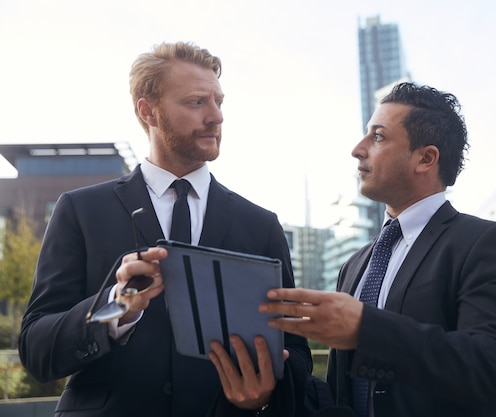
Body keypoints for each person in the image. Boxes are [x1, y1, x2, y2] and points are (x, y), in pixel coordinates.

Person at [18, 41, 312, 417]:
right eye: (196, 102)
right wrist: (116, 306)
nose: (216, 116)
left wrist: (263, 394)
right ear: (148, 111)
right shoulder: (81, 209)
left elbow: (296, 351)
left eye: (219, 102)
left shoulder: (261, 225)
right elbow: (36, 350)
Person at [260, 83, 496, 416]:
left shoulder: (487, 242)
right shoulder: (354, 265)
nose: (358, 149)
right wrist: (270, 387)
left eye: (378, 137)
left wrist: (365, 329)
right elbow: (339, 395)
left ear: (425, 158)